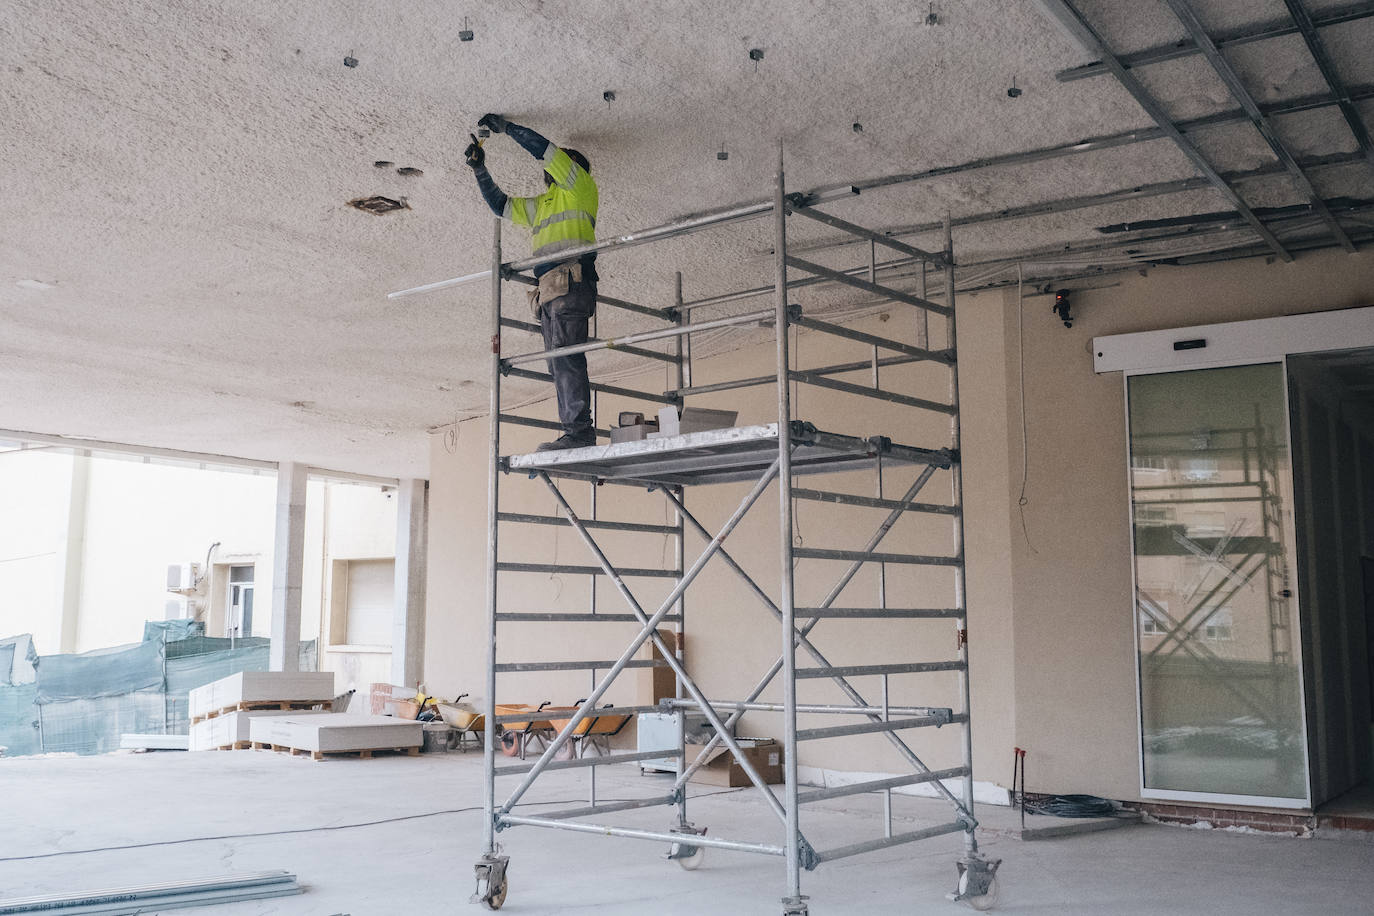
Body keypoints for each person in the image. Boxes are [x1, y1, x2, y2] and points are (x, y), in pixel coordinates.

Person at [464, 114, 599, 451]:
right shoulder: (542, 206)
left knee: (566, 359)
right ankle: (575, 431)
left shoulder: (580, 188)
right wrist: (480, 169)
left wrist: (507, 128)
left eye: (561, 163)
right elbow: (500, 204)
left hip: (571, 283)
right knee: (558, 363)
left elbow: (545, 151)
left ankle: (579, 434)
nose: (552, 166)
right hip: (551, 292)